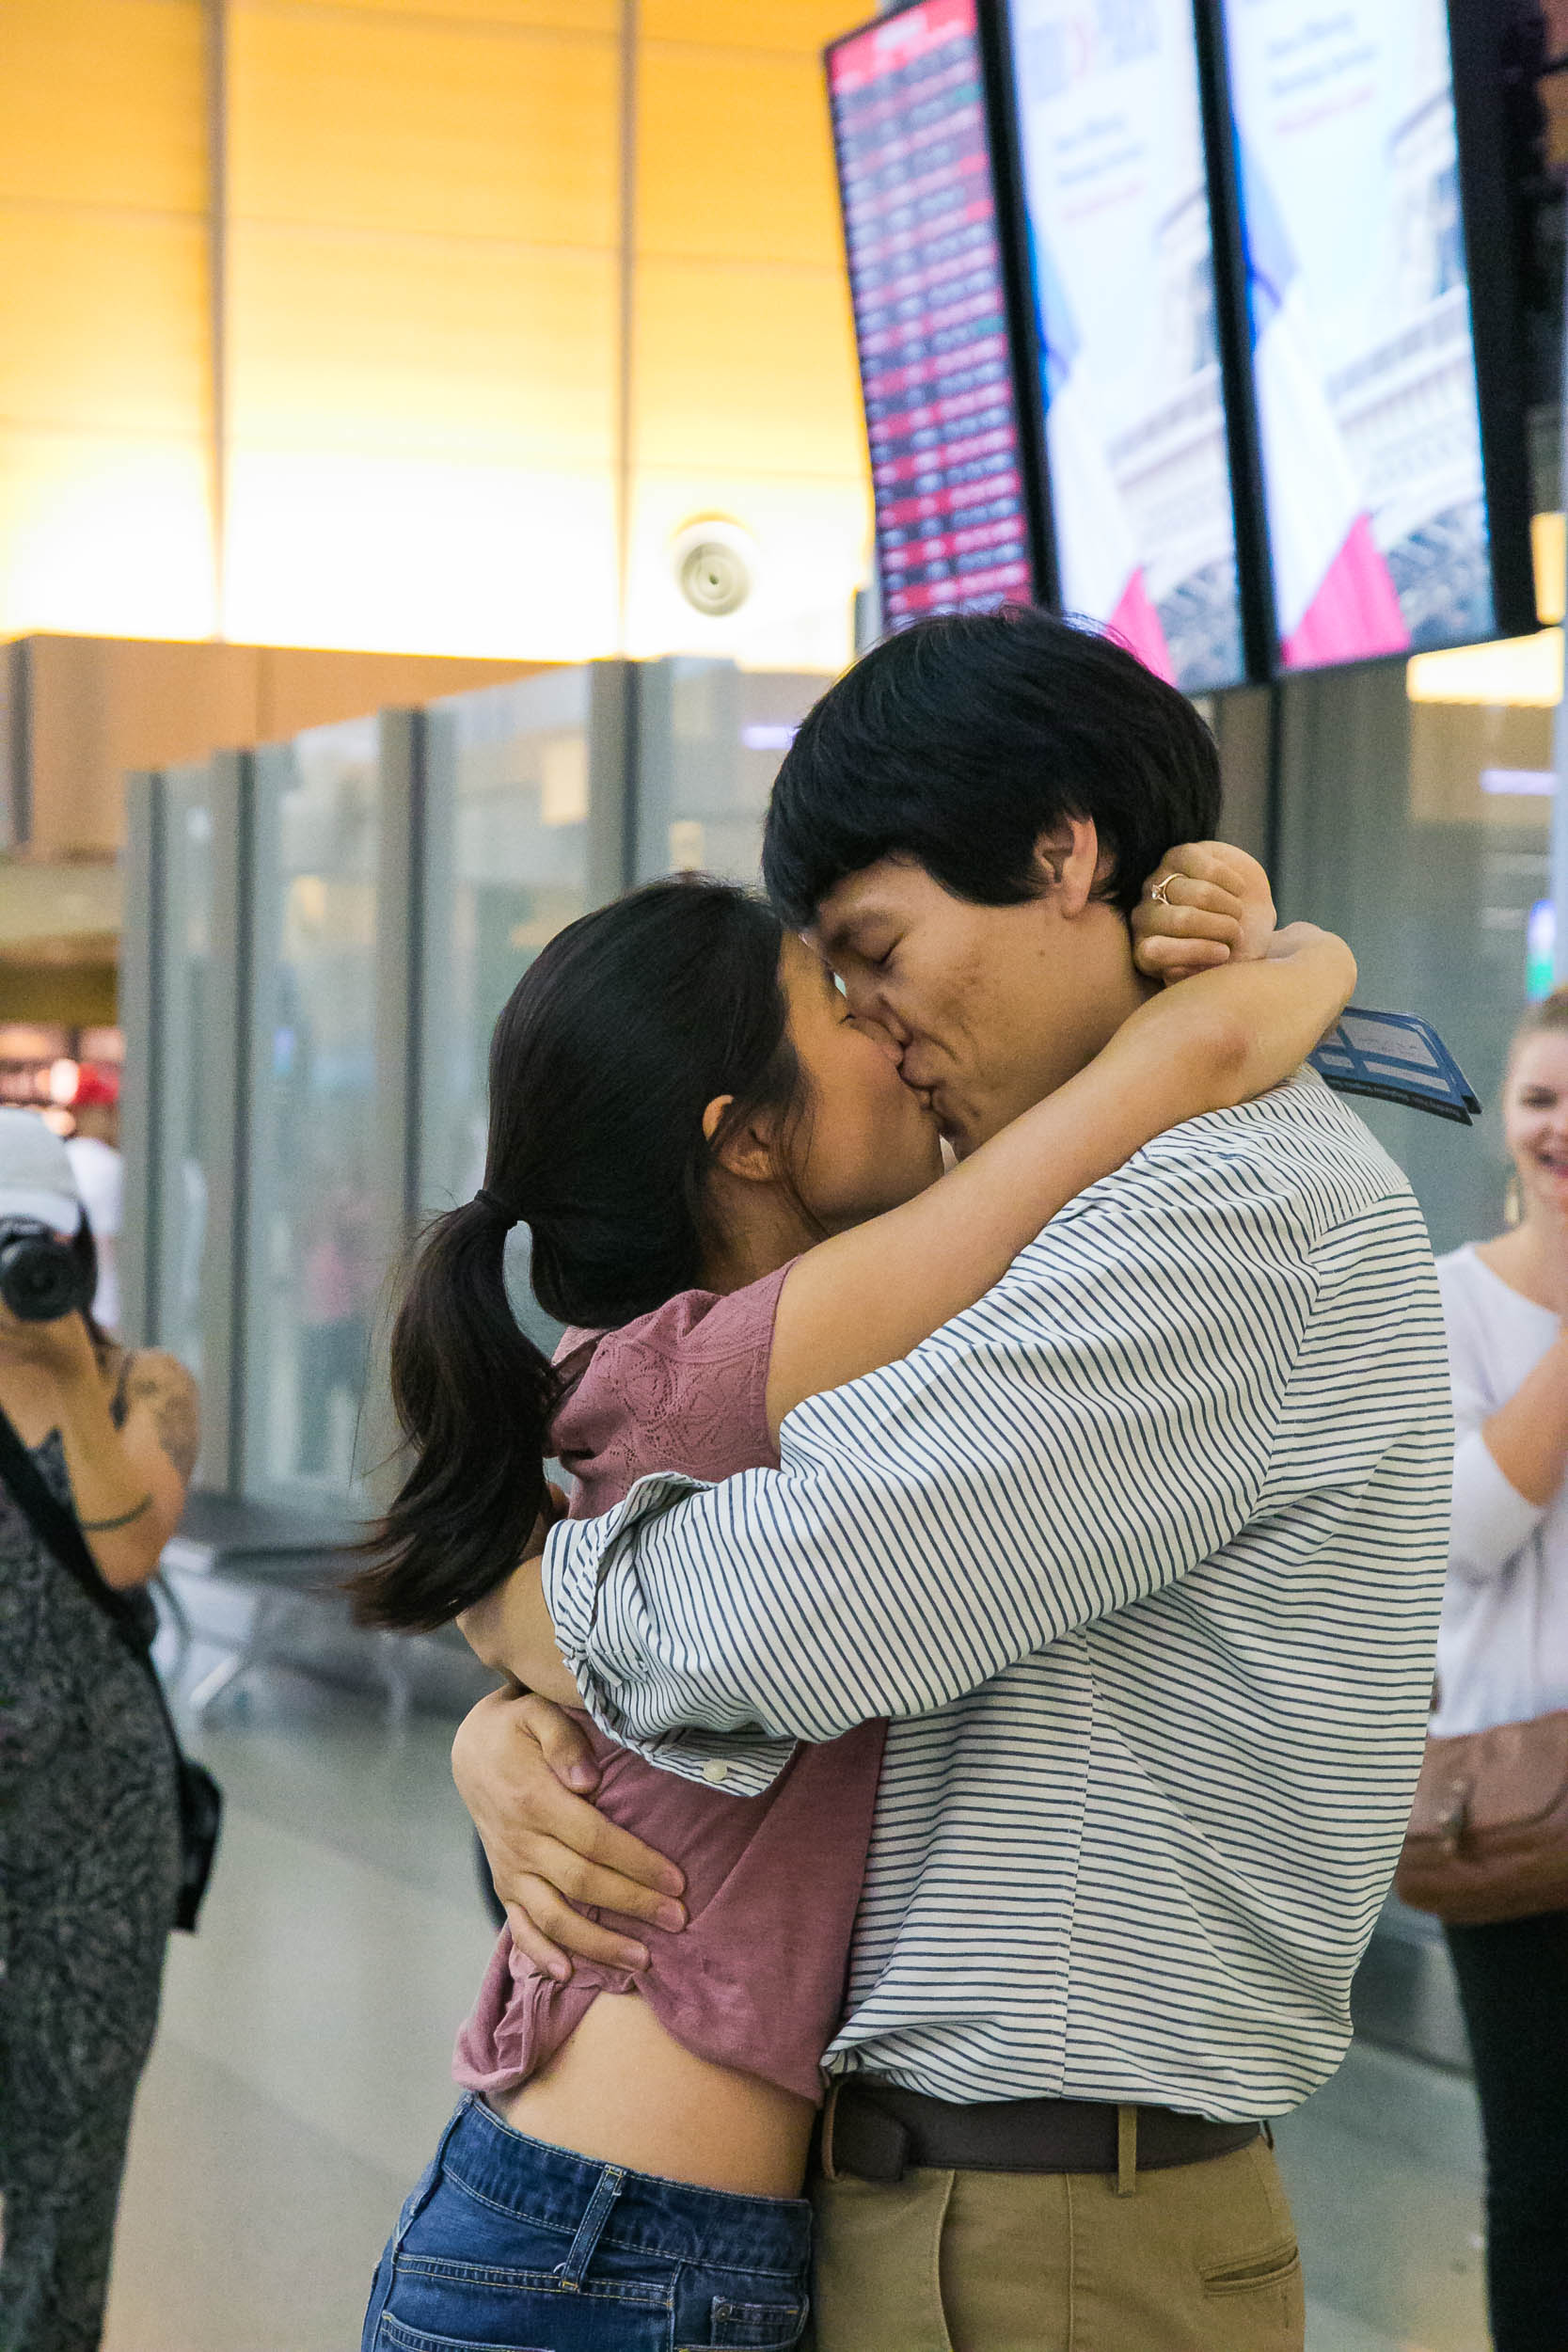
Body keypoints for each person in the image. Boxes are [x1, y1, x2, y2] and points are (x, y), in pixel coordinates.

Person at [455, 608, 1453, 2352]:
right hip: (967, 2202)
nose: (869, 1018)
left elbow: (767, 1624)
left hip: (1053, 2230)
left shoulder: (1227, 1216)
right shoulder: (1067, 1194)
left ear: (1064, 853)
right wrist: (510, 1703)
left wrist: (520, 1604)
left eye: (878, 950)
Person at [0, 1107, 200, 2352]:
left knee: (74, 2149)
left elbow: (128, 1551)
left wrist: (68, 1373)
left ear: (72, 1237)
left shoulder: (145, 1383)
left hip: (101, 1813)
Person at [1429, 989, 1568, 2352]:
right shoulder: (1447, 1305)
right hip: (1516, 1808)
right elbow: (1466, 1532)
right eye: (1537, 1099)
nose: (1559, 1128)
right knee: (1540, 2173)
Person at [63, 1068, 122, 1336]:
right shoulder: (112, 1167)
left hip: (64, 1308)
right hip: (107, 1311)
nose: (115, 1119)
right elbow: (110, 1242)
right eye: (108, 1110)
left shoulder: (58, 1158)